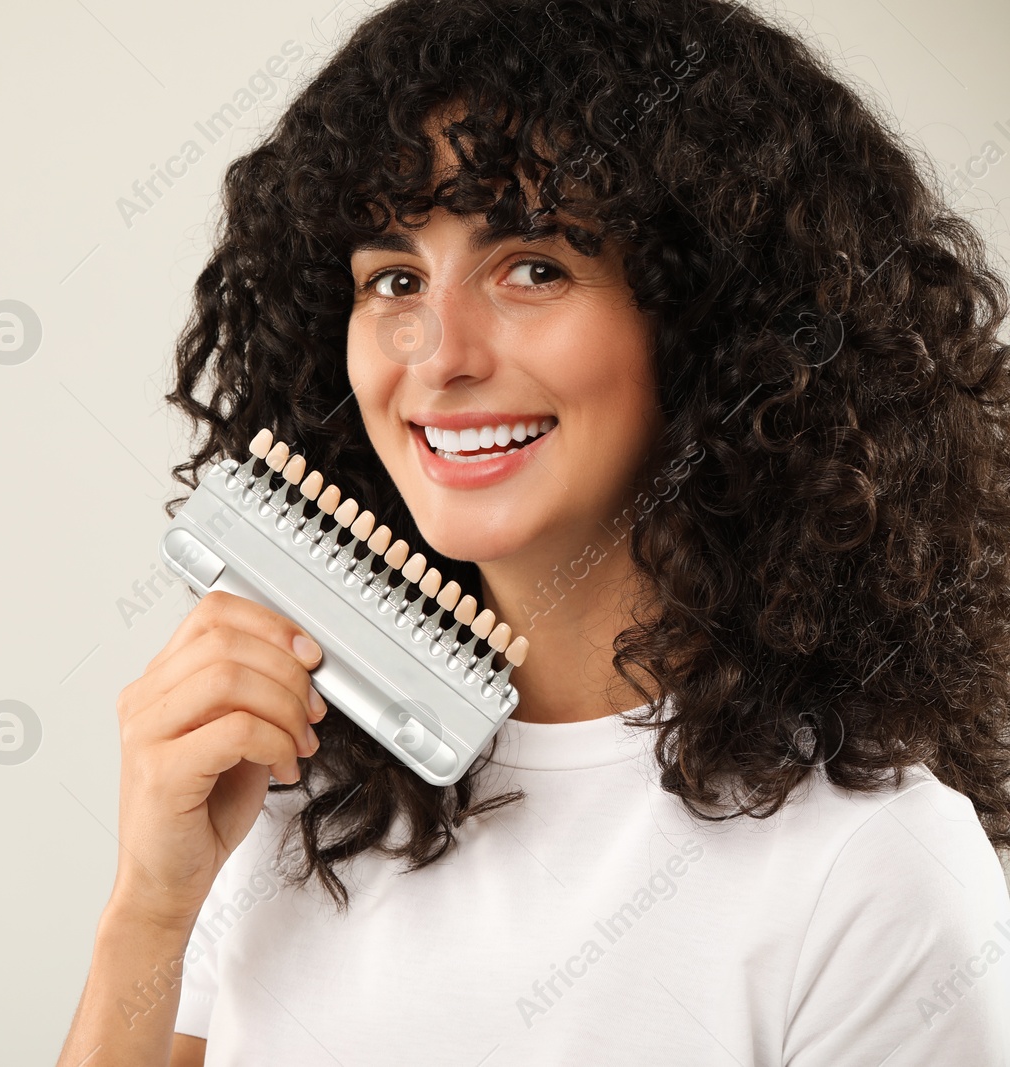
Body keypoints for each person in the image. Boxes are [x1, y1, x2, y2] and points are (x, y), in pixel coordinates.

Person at [57, 0, 1010, 1062]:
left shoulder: (871, 869)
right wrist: (148, 903)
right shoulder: (292, 787)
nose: (438, 353)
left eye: (533, 267)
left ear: (712, 326)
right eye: (394, 279)